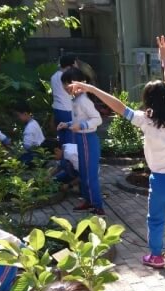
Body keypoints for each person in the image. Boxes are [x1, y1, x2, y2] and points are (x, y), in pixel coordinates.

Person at [67, 36, 165, 281]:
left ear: (149, 102)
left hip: (160, 182)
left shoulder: (146, 121)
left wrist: (89, 88)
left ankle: (156, 256)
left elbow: (118, 105)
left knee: (156, 221)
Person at [57, 67, 105, 215]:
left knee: (90, 175)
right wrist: (68, 125)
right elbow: (79, 120)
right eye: (64, 84)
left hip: (87, 140)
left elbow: (97, 119)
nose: (65, 87)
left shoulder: (83, 100)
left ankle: (98, 206)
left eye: (68, 83)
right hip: (82, 139)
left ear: (78, 84)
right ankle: (88, 200)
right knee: (83, 173)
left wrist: (81, 126)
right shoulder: (77, 99)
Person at [50, 55, 76, 146]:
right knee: (70, 137)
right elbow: (72, 92)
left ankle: (62, 158)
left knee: (61, 136)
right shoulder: (66, 77)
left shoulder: (53, 76)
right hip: (67, 109)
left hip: (57, 109)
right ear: (69, 66)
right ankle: (68, 159)